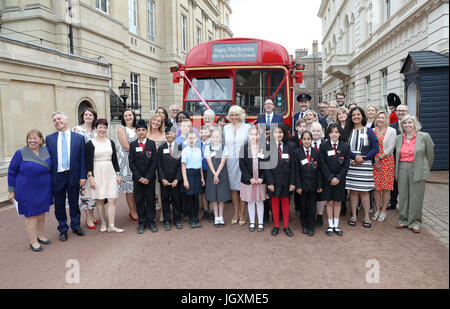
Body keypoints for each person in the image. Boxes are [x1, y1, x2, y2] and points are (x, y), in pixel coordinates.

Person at [8, 129, 53, 252]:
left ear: (40, 139)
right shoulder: (20, 153)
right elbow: (11, 172)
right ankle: (33, 242)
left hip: (44, 188)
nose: (32, 141)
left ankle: (41, 235)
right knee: (31, 215)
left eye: (35, 138)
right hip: (26, 189)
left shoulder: (47, 150)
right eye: (30, 138)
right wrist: (11, 191)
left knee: (41, 213)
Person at [46, 111, 86, 241]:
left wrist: (83, 176)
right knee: (59, 204)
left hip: (73, 175)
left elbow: (82, 159)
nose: (57, 121)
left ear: (66, 120)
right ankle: (63, 228)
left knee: (74, 202)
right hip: (57, 176)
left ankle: (75, 225)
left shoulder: (78, 138)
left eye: (59, 118)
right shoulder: (49, 138)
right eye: (54, 120)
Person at [395, 115, 434, 233]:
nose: (407, 125)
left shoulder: (424, 136)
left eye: (410, 122)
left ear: (415, 123)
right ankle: (403, 220)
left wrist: (425, 168)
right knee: (403, 195)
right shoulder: (398, 138)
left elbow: (430, 154)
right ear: (402, 125)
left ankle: (415, 222)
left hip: (418, 168)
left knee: (416, 196)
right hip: (402, 167)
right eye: (404, 123)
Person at [84, 119, 123, 233]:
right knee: (100, 200)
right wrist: (91, 177)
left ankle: (111, 225)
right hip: (97, 172)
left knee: (112, 199)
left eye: (104, 127)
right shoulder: (90, 143)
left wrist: (118, 174)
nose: (102, 129)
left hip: (110, 171)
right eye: (100, 127)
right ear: (95, 128)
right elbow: (88, 162)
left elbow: (114, 160)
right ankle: (103, 223)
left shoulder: (110, 142)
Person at [344, 107, 379, 228]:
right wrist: (355, 157)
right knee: (353, 192)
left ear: (362, 116)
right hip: (351, 164)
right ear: (351, 117)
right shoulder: (347, 131)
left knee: (364, 192)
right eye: (353, 115)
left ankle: (366, 217)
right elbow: (344, 148)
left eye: (358, 114)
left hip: (365, 164)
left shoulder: (368, 131)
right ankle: (353, 215)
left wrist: (363, 158)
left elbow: (376, 148)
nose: (356, 117)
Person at [129, 119, 158, 233]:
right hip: (138, 179)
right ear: (136, 132)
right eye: (139, 130)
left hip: (149, 179)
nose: (141, 132)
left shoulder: (151, 144)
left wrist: (148, 177)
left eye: (143, 130)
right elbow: (131, 163)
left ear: (146, 131)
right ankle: (141, 222)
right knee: (139, 200)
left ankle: (151, 222)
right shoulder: (133, 145)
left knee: (150, 200)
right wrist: (139, 177)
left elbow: (154, 162)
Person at [320, 123, 350, 236]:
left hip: (340, 180)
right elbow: (322, 164)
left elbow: (346, 165)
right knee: (329, 202)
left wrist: (338, 177)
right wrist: (330, 177)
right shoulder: (324, 146)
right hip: (327, 179)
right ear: (328, 133)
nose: (334, 134)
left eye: (336, 132)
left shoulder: (345, 146)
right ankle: (330, 225)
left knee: (337, 202)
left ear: (340, 134)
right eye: (332, 132)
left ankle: (336, 225)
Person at [223, 105, 251, 225]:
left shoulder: (248, 127)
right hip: (230, 161)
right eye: (232, 115)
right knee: (234, 189)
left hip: (244, 162)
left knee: (243, 188)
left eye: (236, 114)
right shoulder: (225, 128)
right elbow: (223, 145)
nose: (234, 117)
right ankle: (235, 212)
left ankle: (242, 213)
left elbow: (251, 145)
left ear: (241, 115)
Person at [266, 123, 295, 237]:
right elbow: (266, 167)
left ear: (284, 133)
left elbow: (293, 166)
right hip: (273, 181)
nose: (278, 135)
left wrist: (292, 182)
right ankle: (276, 225)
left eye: (280, 132)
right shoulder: (268, 147)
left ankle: (286, 226)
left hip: (286, 181)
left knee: (286, 203)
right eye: (276, 132)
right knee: (274, 203)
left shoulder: (290, 146)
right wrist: (269, 182)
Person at [293, 130, 323, 237]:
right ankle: (304, 225)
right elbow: (296, 171)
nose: (306, 141)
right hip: (302, 185)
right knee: (303, 206)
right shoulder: (297, 152)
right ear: (301, 140)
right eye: (304, 139)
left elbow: (319, 170)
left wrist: (319, 185)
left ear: (311, 140)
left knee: (312, 206)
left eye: (308, 139)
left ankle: (311, 226)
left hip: (313, 185)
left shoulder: (316, 152)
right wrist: (298, 186)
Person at [73, 107, 98, 229]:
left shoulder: (97, 130)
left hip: (95, 164)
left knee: (94, 190)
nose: (88, 117)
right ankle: (88, 217)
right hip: (83, 164)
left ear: (94, 117)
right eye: (86, 115)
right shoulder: (77, 130)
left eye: (90, 115)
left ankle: (93, 215)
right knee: (85, 192)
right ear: (82, 116)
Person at [239, 126, 267, 232]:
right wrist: (249, 178)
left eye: (256, 134)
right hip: (248, 180)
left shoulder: (263, 148)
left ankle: (260, 222)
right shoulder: (244, 148)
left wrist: (262, 178)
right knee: (250, 201)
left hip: (260, 180)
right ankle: (252, 222)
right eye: (251, 134)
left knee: (259, 201)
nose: (253, 136)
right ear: (248, 135)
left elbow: (266, 165)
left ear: (259, 135)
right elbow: (242, 165)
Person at [371, 111, 396, 222]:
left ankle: (384, 210)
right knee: (376, 188)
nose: (380, 120)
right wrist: (374, 161)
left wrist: (379, 159)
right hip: (374, 163)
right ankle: (377, 209)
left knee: (386, 188)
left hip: (387, 161)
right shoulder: (372, 131)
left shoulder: (392, 131)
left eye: (382, 118)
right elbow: (370, 147)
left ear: (386, 119)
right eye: (378, 117)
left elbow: (390, 148)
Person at [157, 123, 183, 230]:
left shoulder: (178, 147)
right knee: (165, 200)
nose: (169, 135)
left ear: (175, 134)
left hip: (175, 180)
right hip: (165, 180)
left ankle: (177, 219)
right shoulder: (161, 148)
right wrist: (162, 178)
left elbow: (180, 164)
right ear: (165, 135)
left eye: (171, 133)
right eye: (167, 134)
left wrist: (177, 179)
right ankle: (167, 220)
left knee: (176, 200)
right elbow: (159, 165)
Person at [205, 128, 231, 227]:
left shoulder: (224, 147)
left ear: (221, 138)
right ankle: (216, 217)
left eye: (217, 137)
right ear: (211, 137)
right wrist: (214, 174)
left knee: (221, 196)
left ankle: (221, 217)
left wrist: (217, 174)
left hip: (222, 174)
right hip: (211, 175)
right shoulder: (208, 147)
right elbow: (209, 161)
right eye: (213, 137)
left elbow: (223, 161)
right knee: (214, 197)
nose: (215, 139)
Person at [117, 108, 138, 222]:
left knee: (137, 186)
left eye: (130, 115)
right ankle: (132, 211)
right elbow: (126, 146)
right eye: (125, 116)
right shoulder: (121, 129)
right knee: (129, 187)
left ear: (133, 116)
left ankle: (138, 208)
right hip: (127, 161)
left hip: (138, 161)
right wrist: (140, 154)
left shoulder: (137, 128)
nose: (128, 117)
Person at [181, 130, 205, 228]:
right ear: (187, 139)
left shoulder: (198, 150)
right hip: (189, 174)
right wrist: (185, 180)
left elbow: (200, 166)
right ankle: (191, 218)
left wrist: (202, 178)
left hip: (197, 175)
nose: (191, 140)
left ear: (197, 139)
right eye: (189, 138)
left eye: (193, 138)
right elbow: (183, 166)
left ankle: (196, 217)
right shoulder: (185, 150)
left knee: (196, 198)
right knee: (189, 198)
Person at [147, 113, 167, 220]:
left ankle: (164, 214)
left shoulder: (164, 135)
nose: (156, 122)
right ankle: (151, 216)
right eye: (154, 120)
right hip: (148, 168)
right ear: (151, 120)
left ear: (161, 123)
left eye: (158, 121)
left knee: (161, 191)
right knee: (150, 192)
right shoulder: (145, 134)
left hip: (161, 167)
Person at [310, 121, 326, 227]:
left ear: (321, 132)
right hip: (310, 176)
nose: (316, 133)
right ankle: (310, 216)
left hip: (322, 175)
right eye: (314, 131)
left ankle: (320, 216)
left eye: (318, 131)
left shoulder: (325, 145)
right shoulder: (306, 143)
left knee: (320, 197)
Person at [199, 125, 213, 222]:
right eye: (202, 132)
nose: (204, 134)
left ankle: (212, 212)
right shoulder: (197, 144)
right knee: (203, 192)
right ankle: (206, 211)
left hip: (210, 170)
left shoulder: (212, 143)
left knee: (211, 191)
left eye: (206, 132)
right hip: (201, 170)